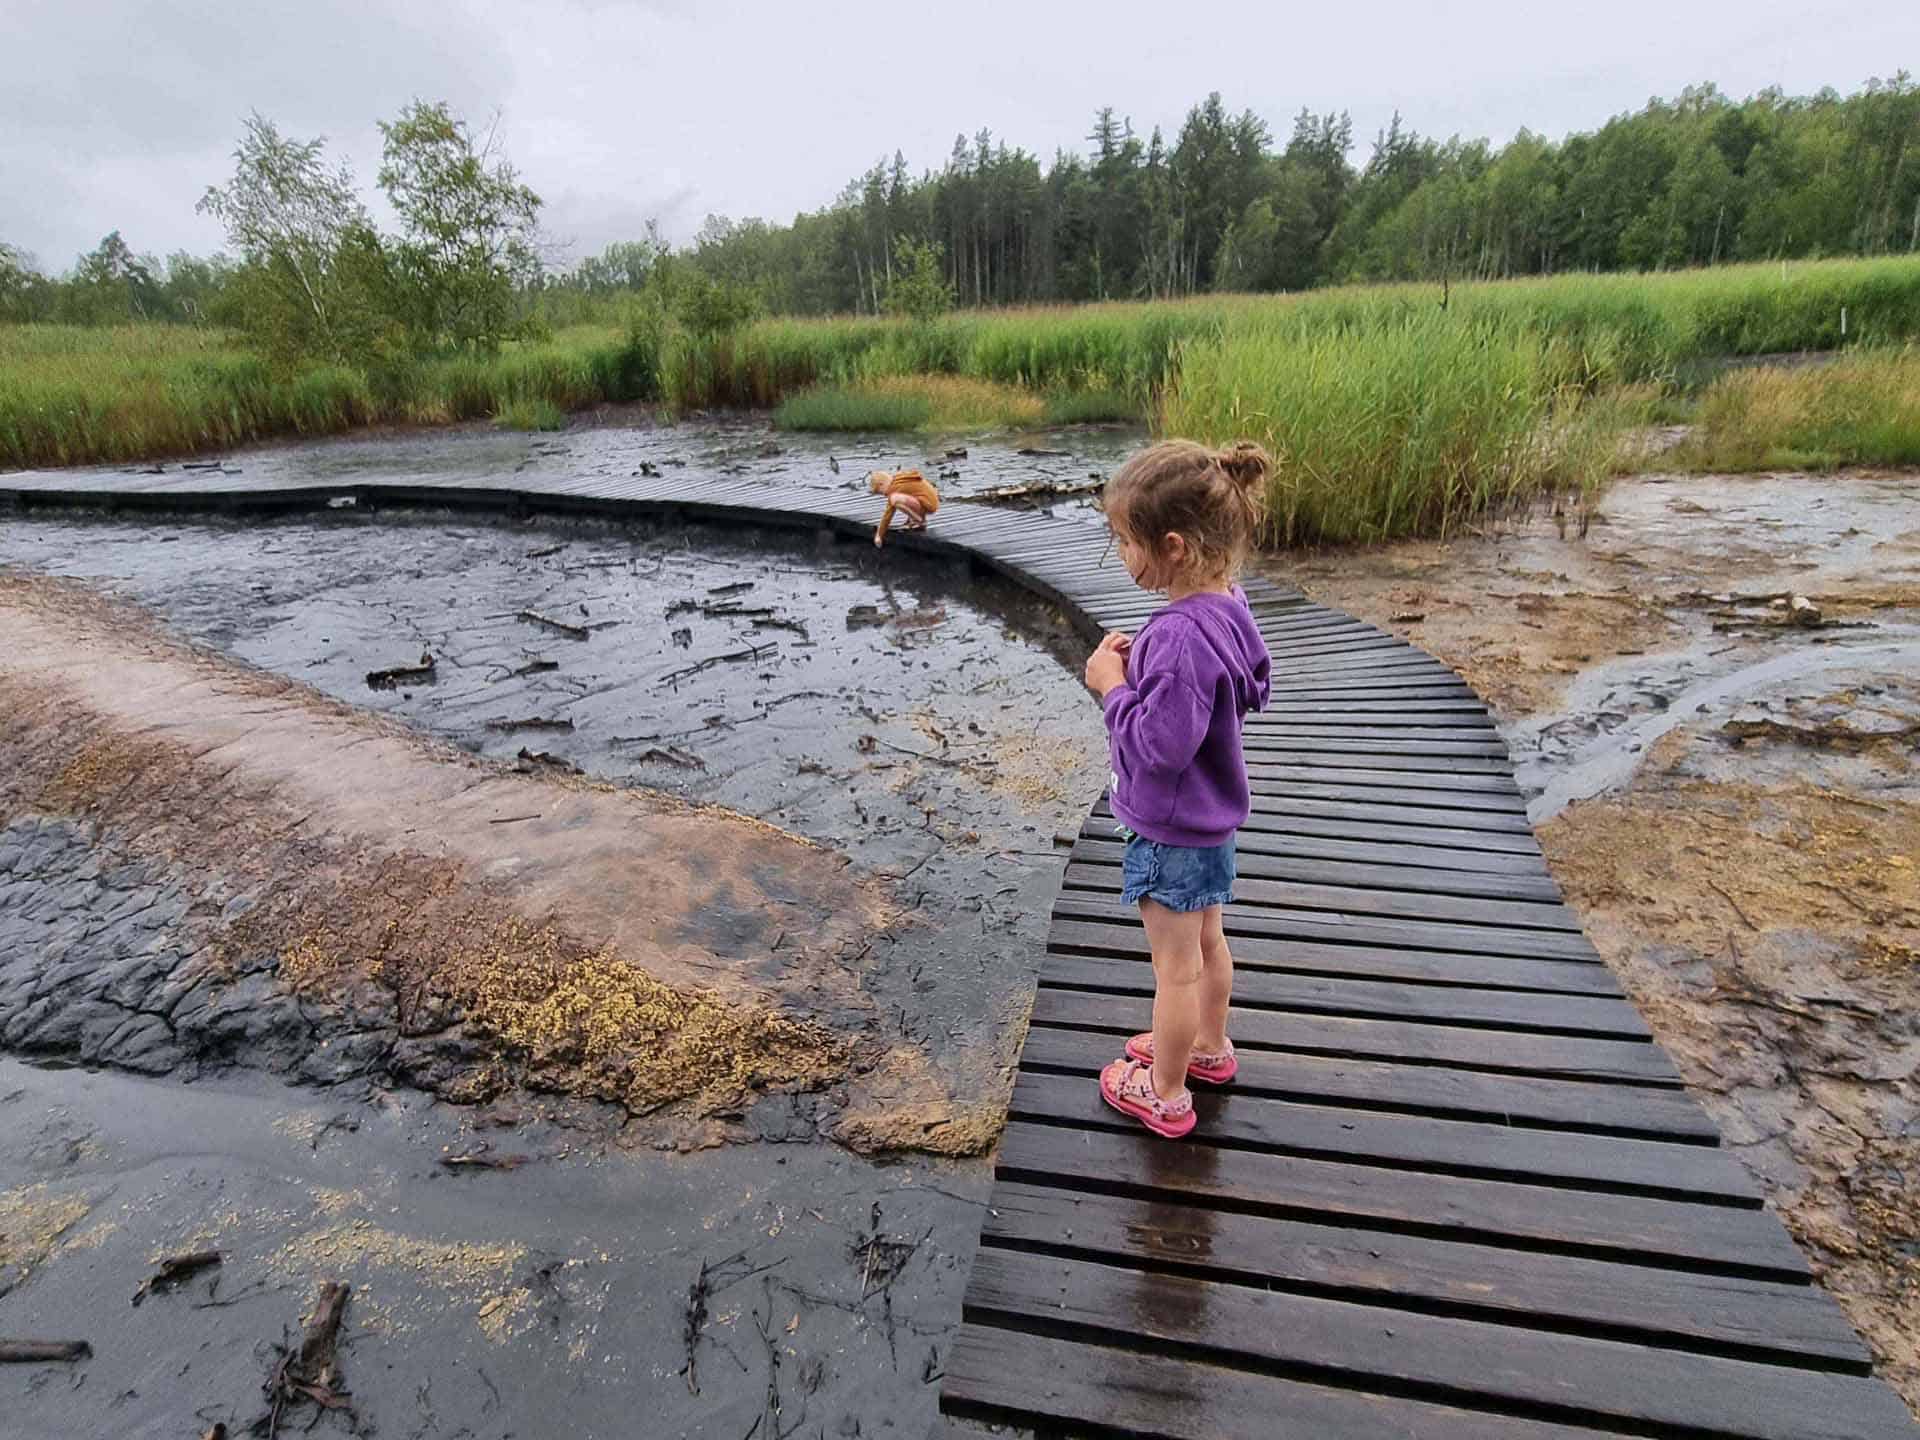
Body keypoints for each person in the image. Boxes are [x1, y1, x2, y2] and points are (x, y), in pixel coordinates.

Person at [1081, 439, 1273, 1138]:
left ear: (1173, 547)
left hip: (1168, 827)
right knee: (1208, 945)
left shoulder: (1177, 636)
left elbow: (1158, 751)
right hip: (1211, 822)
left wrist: (1113, 688)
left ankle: (1164, 1091)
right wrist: (1150, 678)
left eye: (1124, 543)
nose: (1121, 558)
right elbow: (1247, 684)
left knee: (1176, 970)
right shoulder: (1230, 605)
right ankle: (1208, 1049)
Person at [869, 468, 940, 547]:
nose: (884, 495)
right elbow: (913, 494)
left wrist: (879, 535)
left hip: (928, 504)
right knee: (907, 497)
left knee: (894, 499)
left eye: (880, 492)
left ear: (881, 484)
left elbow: (888, 514)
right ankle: (917, 521)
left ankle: (919, 521)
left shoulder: (893, 488)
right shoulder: (898, 480)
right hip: (929, 501)